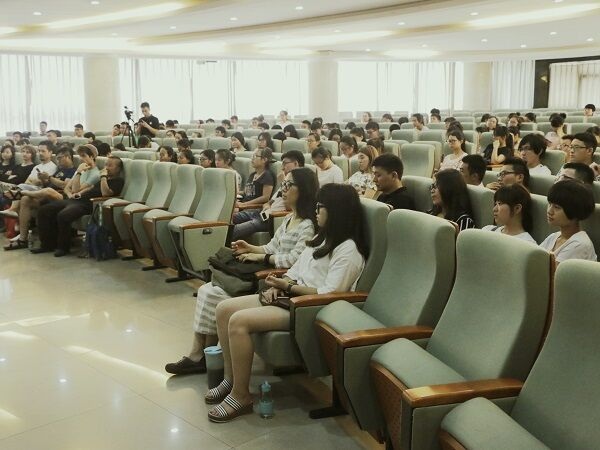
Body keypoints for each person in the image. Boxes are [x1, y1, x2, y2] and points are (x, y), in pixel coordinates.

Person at [207, 184, 367, 422]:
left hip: (311, 307)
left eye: (321, 207)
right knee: (223, 309)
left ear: (337, 211)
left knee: (238, 321)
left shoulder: (348, 250)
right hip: (292, 297)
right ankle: (230, 380)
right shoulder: (321, 238)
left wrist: (288, 287)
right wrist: (279, 285)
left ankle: (241, 395)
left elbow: (330, 293)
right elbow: (295, 270)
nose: (316, 211)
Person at [165, 168, 318, 376]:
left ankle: (202, 357)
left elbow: (295, 259)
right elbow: (271, 247)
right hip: (269, 269)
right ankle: (201, 354)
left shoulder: (307, 225)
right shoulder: (290, 218)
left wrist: (261, 258)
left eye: (288, 185)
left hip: (274, 278)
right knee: (206, 290)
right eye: (283, 184)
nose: (283, 189)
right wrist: (250, 248)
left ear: (304, 190)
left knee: (214, 294)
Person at [33, 156, 125, 257]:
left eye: (110, 165)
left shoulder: (118, 181)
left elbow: (105, 193)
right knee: (44, 210)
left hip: (88, 205)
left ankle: (63, 247)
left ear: (118, 169)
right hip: (76, 200)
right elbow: (91, 188)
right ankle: (46, 245)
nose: (106, 167)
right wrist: (79, 193)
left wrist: (103, 177)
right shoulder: (103, 179)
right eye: (106, 164)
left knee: (63, 215)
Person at [3, 148, 77, 250]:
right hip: (46, 195)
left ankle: (22, 192)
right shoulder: (59, 170)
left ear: (68, 157)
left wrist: (49, 178)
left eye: (60, 158)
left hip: (61, 197)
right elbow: (48, 183)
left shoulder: (73, 171)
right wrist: (43, 179)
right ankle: (22, 239)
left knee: (47, 190)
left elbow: (65, 185)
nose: (58, 161)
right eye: (57, 158)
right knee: (25, 200)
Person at [231, 151, 305, 239]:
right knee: (231, 217)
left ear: (296, 163)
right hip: (263, 213)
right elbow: (269, 202)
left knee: (235, 230)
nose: (282, 167)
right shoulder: (288, 181)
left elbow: (290, 207)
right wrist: (267, 206)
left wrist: (283, 183)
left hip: (273, 219)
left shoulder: (300, 184)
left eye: (285, 164)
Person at [539, 180, 596, 263]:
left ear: (574, 211)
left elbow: (548, 270)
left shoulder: (579, 244)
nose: (550, 211)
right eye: (550, 204)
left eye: (557, 207)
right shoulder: (554, 237)